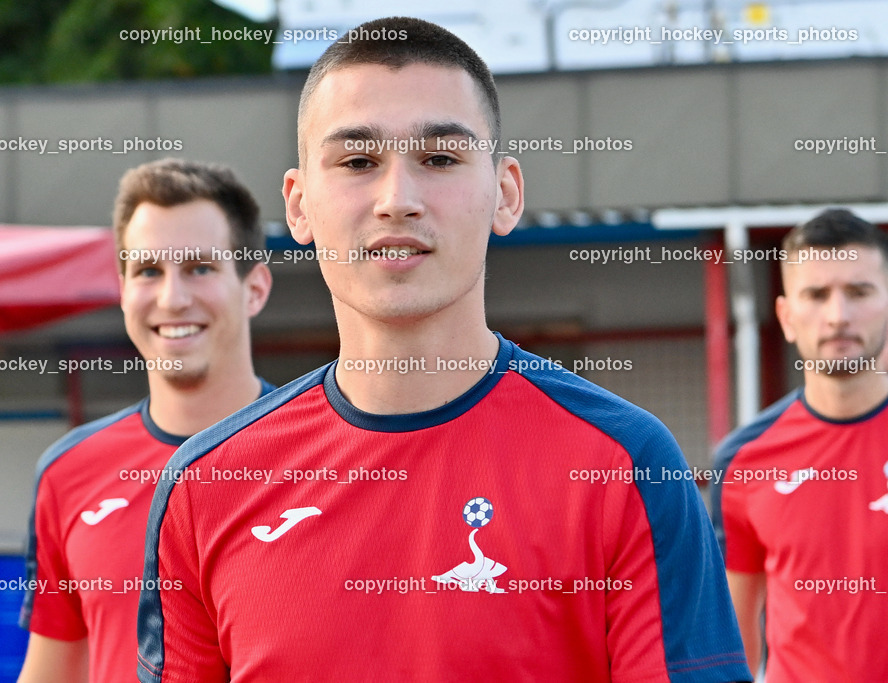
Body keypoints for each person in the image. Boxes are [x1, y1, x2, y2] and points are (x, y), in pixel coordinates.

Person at [136, 17, 750, 682]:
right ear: (300, 204)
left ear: (505, 193)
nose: (397, 199)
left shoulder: (625, 467)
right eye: (357, 162)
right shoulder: (205, 487)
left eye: (439, 159)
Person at [18, 159, 274, 683]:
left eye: (200, 268)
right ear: (122, 289)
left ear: (255, 288)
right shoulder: (68, 472)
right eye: (148, 271)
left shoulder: (330, 458)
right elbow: (53, 672)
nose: (172, 298)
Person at [712, 208, 888, 682]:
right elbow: (735, 643)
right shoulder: (742, 461)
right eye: (816, 294)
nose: (838, 315)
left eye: (858, 292)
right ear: (787, 317)